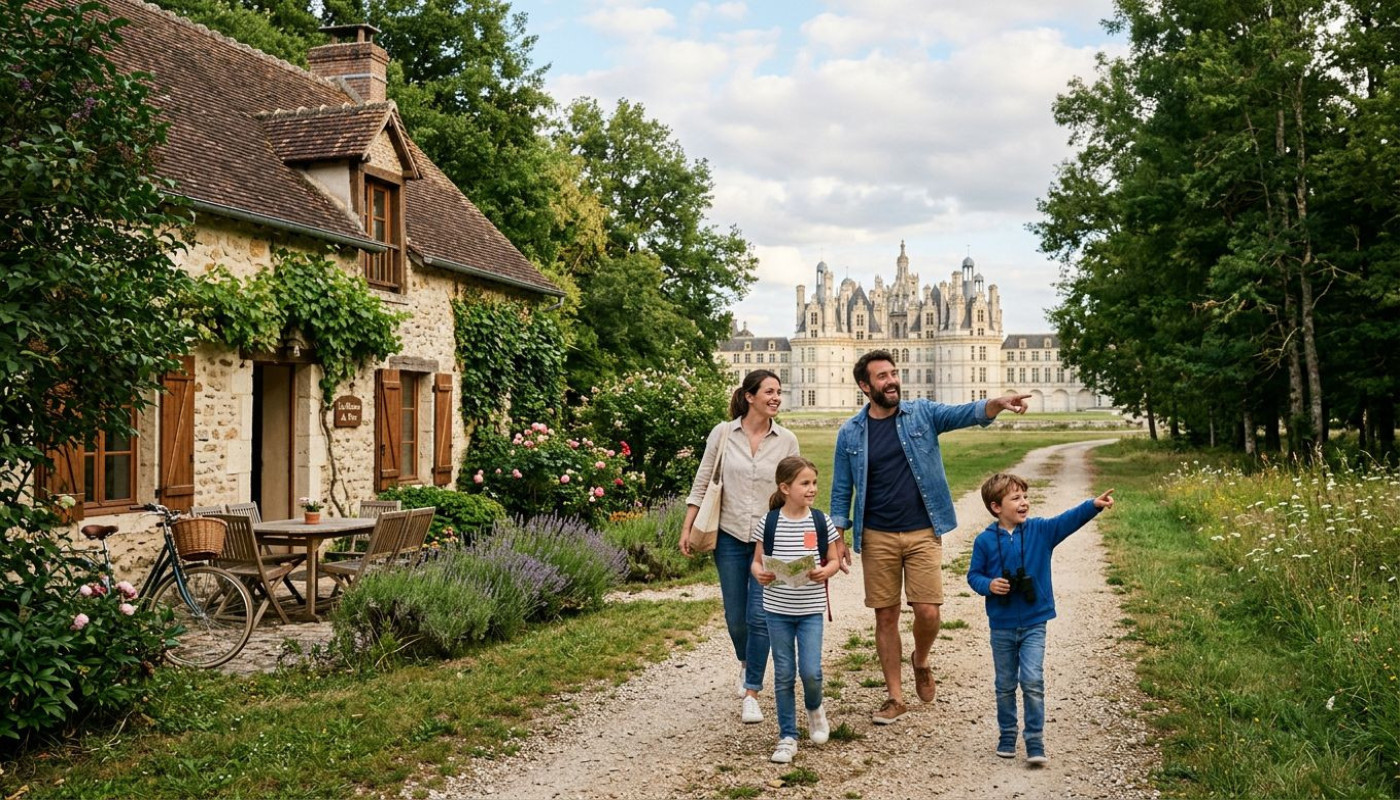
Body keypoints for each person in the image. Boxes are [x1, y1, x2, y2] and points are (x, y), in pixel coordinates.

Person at [829, 349, 1031, 725]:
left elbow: (963, 414)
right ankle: (894, 696)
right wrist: (837, 537)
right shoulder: (850, 432)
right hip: (877, 535)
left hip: (923, 530)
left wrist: (997, 403)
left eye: (893, 373)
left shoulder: (920, 413)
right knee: (885, 616)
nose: (891, 381)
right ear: (864, 386)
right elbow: (841, 490)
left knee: (928, 611)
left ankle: (920, 659)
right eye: (882, 376)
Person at [967, 473, 1115, 765]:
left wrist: (1093, 506)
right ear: (997, 507)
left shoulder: (1040, 532)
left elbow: (1067, 520)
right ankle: (1007, 734)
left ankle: (1035, 741)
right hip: (1002, 625)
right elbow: (974, 575)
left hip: (1035, 622)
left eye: (1025, 497)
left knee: (1032, 680)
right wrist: (989, 585)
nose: (1024, 503)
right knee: (1006, 683)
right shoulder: (984, 541)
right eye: (1016, 498)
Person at [682, 369, 800, 724]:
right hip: (730, 536)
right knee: (737, 619)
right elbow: (703, 480)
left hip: (770, 540)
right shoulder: (722, 434)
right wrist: (687, 527)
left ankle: (752, 691)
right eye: (769, 391)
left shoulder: (787, 441)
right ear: (749, 396)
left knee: (760, 615)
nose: (776, 397)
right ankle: (747, 662)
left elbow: (794, 489)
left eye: (779, 391)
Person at [750, 456, 841, 764]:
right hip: (777, 610)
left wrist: (825, 572)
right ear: (785, 488)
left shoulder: (821, 521)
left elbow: (834, 560)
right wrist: (758, 573)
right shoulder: (770, 522)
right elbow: (756, 560)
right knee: (785, 673)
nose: (812, 488)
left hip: (810, 609)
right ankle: (787, 736)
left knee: (811, 671)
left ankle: (815, 708)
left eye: (814, 482)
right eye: (805, 483)